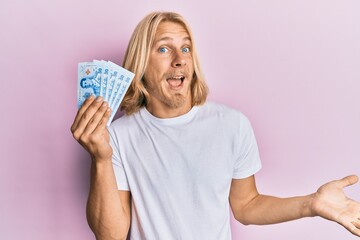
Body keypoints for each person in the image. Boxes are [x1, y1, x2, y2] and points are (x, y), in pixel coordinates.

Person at [71, 11, 360, 240]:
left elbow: (247, 206)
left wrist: (312, 204)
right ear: (141, 64)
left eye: (185, 48)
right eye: (163, 49)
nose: (179, 60)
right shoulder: (118, 137)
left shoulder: (232, 125)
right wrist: (101, 158)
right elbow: (110, 236)